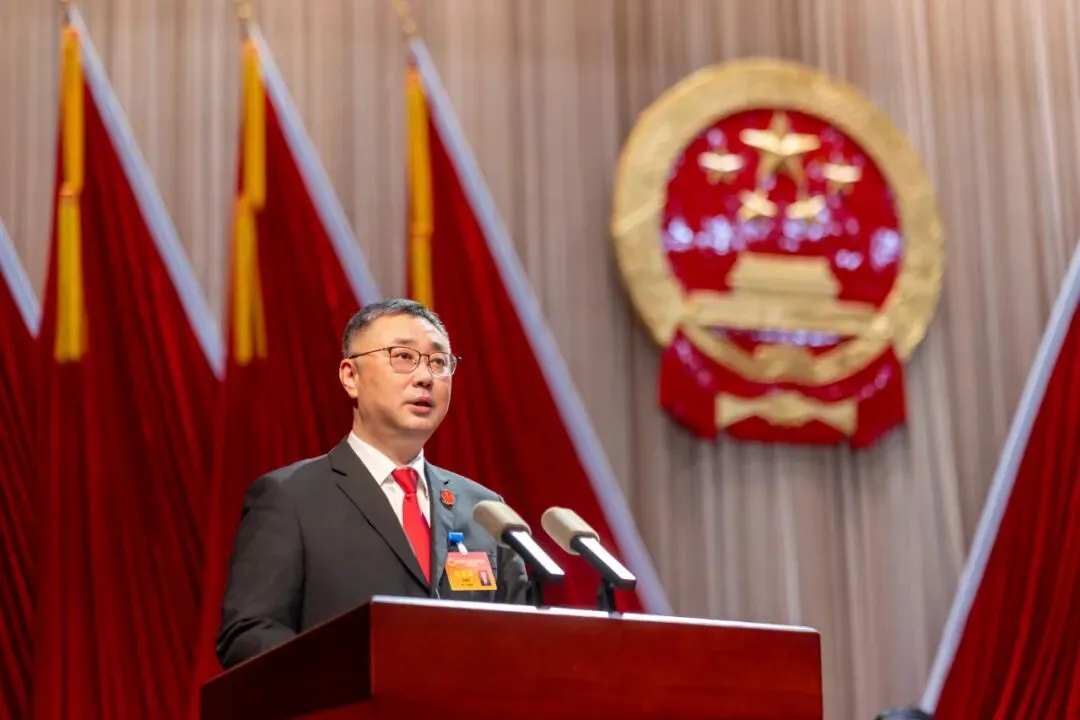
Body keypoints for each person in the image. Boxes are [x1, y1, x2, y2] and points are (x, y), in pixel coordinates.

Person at [216, 298, 529, 669]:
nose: (425, 376)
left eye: (439, 361)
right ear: (351, 376)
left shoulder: (485, 511)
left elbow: (523, 639)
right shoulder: (290, 498)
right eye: (403, 357)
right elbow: (249, 633)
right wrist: (353, 674)